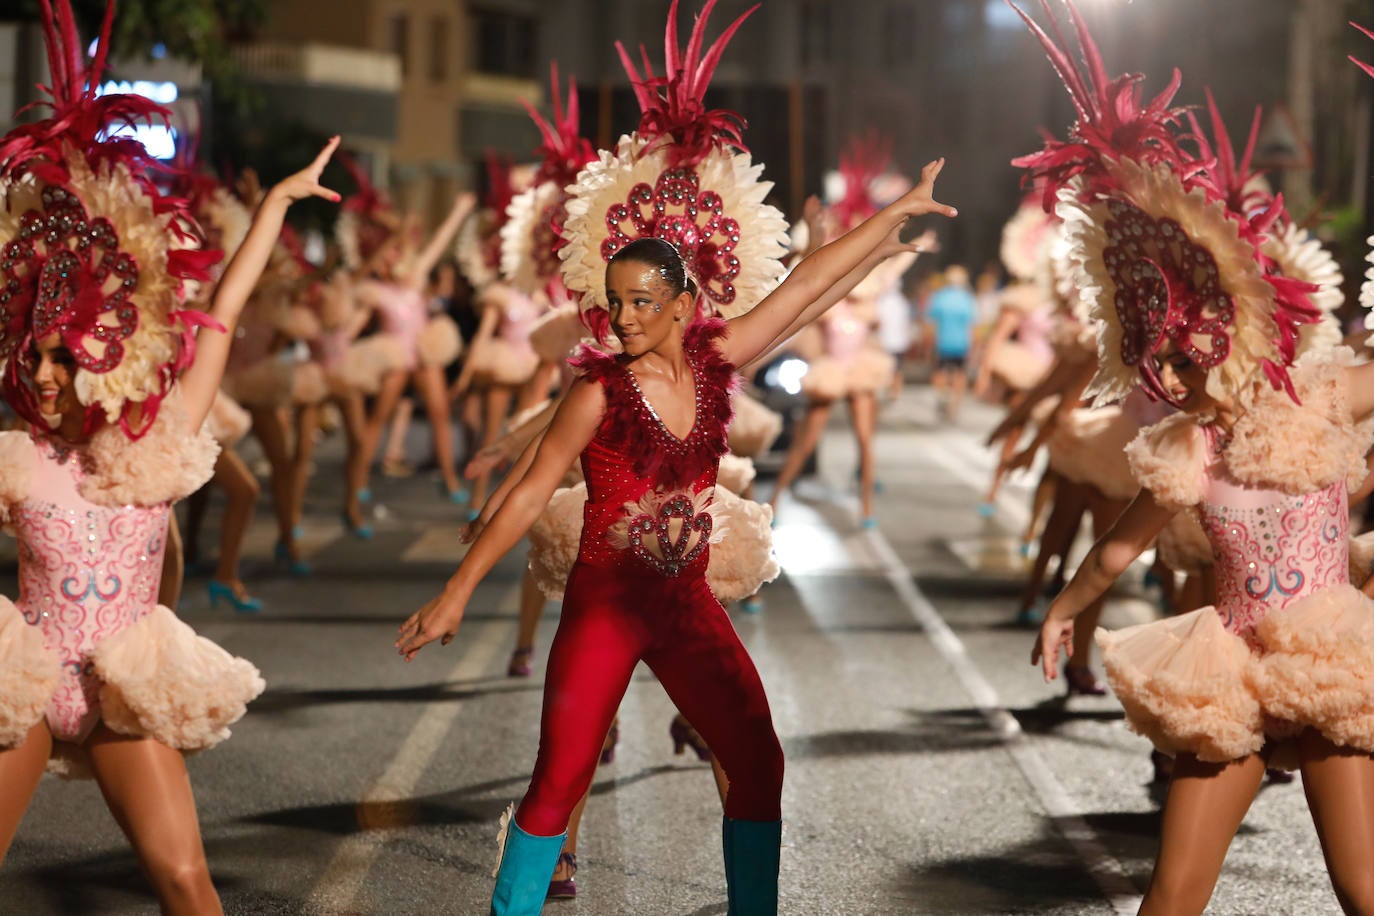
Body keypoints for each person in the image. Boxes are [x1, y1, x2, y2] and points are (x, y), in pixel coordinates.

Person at [1019, 4, 1374, 912]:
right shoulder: (1186, 448)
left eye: (1181, 354)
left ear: (1231, 330)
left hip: (1333, 659)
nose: (1169, 377)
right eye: (1156, 362)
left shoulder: (1325, 395)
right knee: (1172, 895)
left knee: (1363, 884)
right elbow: (1114, 550)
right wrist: (1065, 609)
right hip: (1230, 674)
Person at [0, 5, 339, 908]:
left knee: (187, 880)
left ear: (106, 351)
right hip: (25, 687)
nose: (45, 374)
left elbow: (220, 318)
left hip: (123, 687)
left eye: (62, 357)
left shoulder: (160, 435)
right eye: (33, 357)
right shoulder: (15, 456)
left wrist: (272, 205)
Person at [924, 264, 978, 420]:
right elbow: (971, 325)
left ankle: (941, 397)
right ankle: (955, 404)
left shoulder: (939, 297)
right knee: (960, 374)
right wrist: (973, 345)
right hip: (961, 343)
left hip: (942, 341)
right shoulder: (967, 299)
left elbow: (931, 322)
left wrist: (928, 343)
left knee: (940, 371)